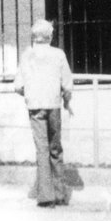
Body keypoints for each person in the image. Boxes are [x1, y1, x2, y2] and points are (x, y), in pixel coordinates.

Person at [14, 19, 73, 208]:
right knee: (55, 148)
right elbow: (67, 84)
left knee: (42, 149)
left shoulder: (27, 55)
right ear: (50, 36)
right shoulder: (58, 54)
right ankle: (60, 193)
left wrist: (30, 93)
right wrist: (66, 100)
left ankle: (46, 195)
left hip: (35, 107)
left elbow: (18, 86)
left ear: (33, 36)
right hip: (53, 104)